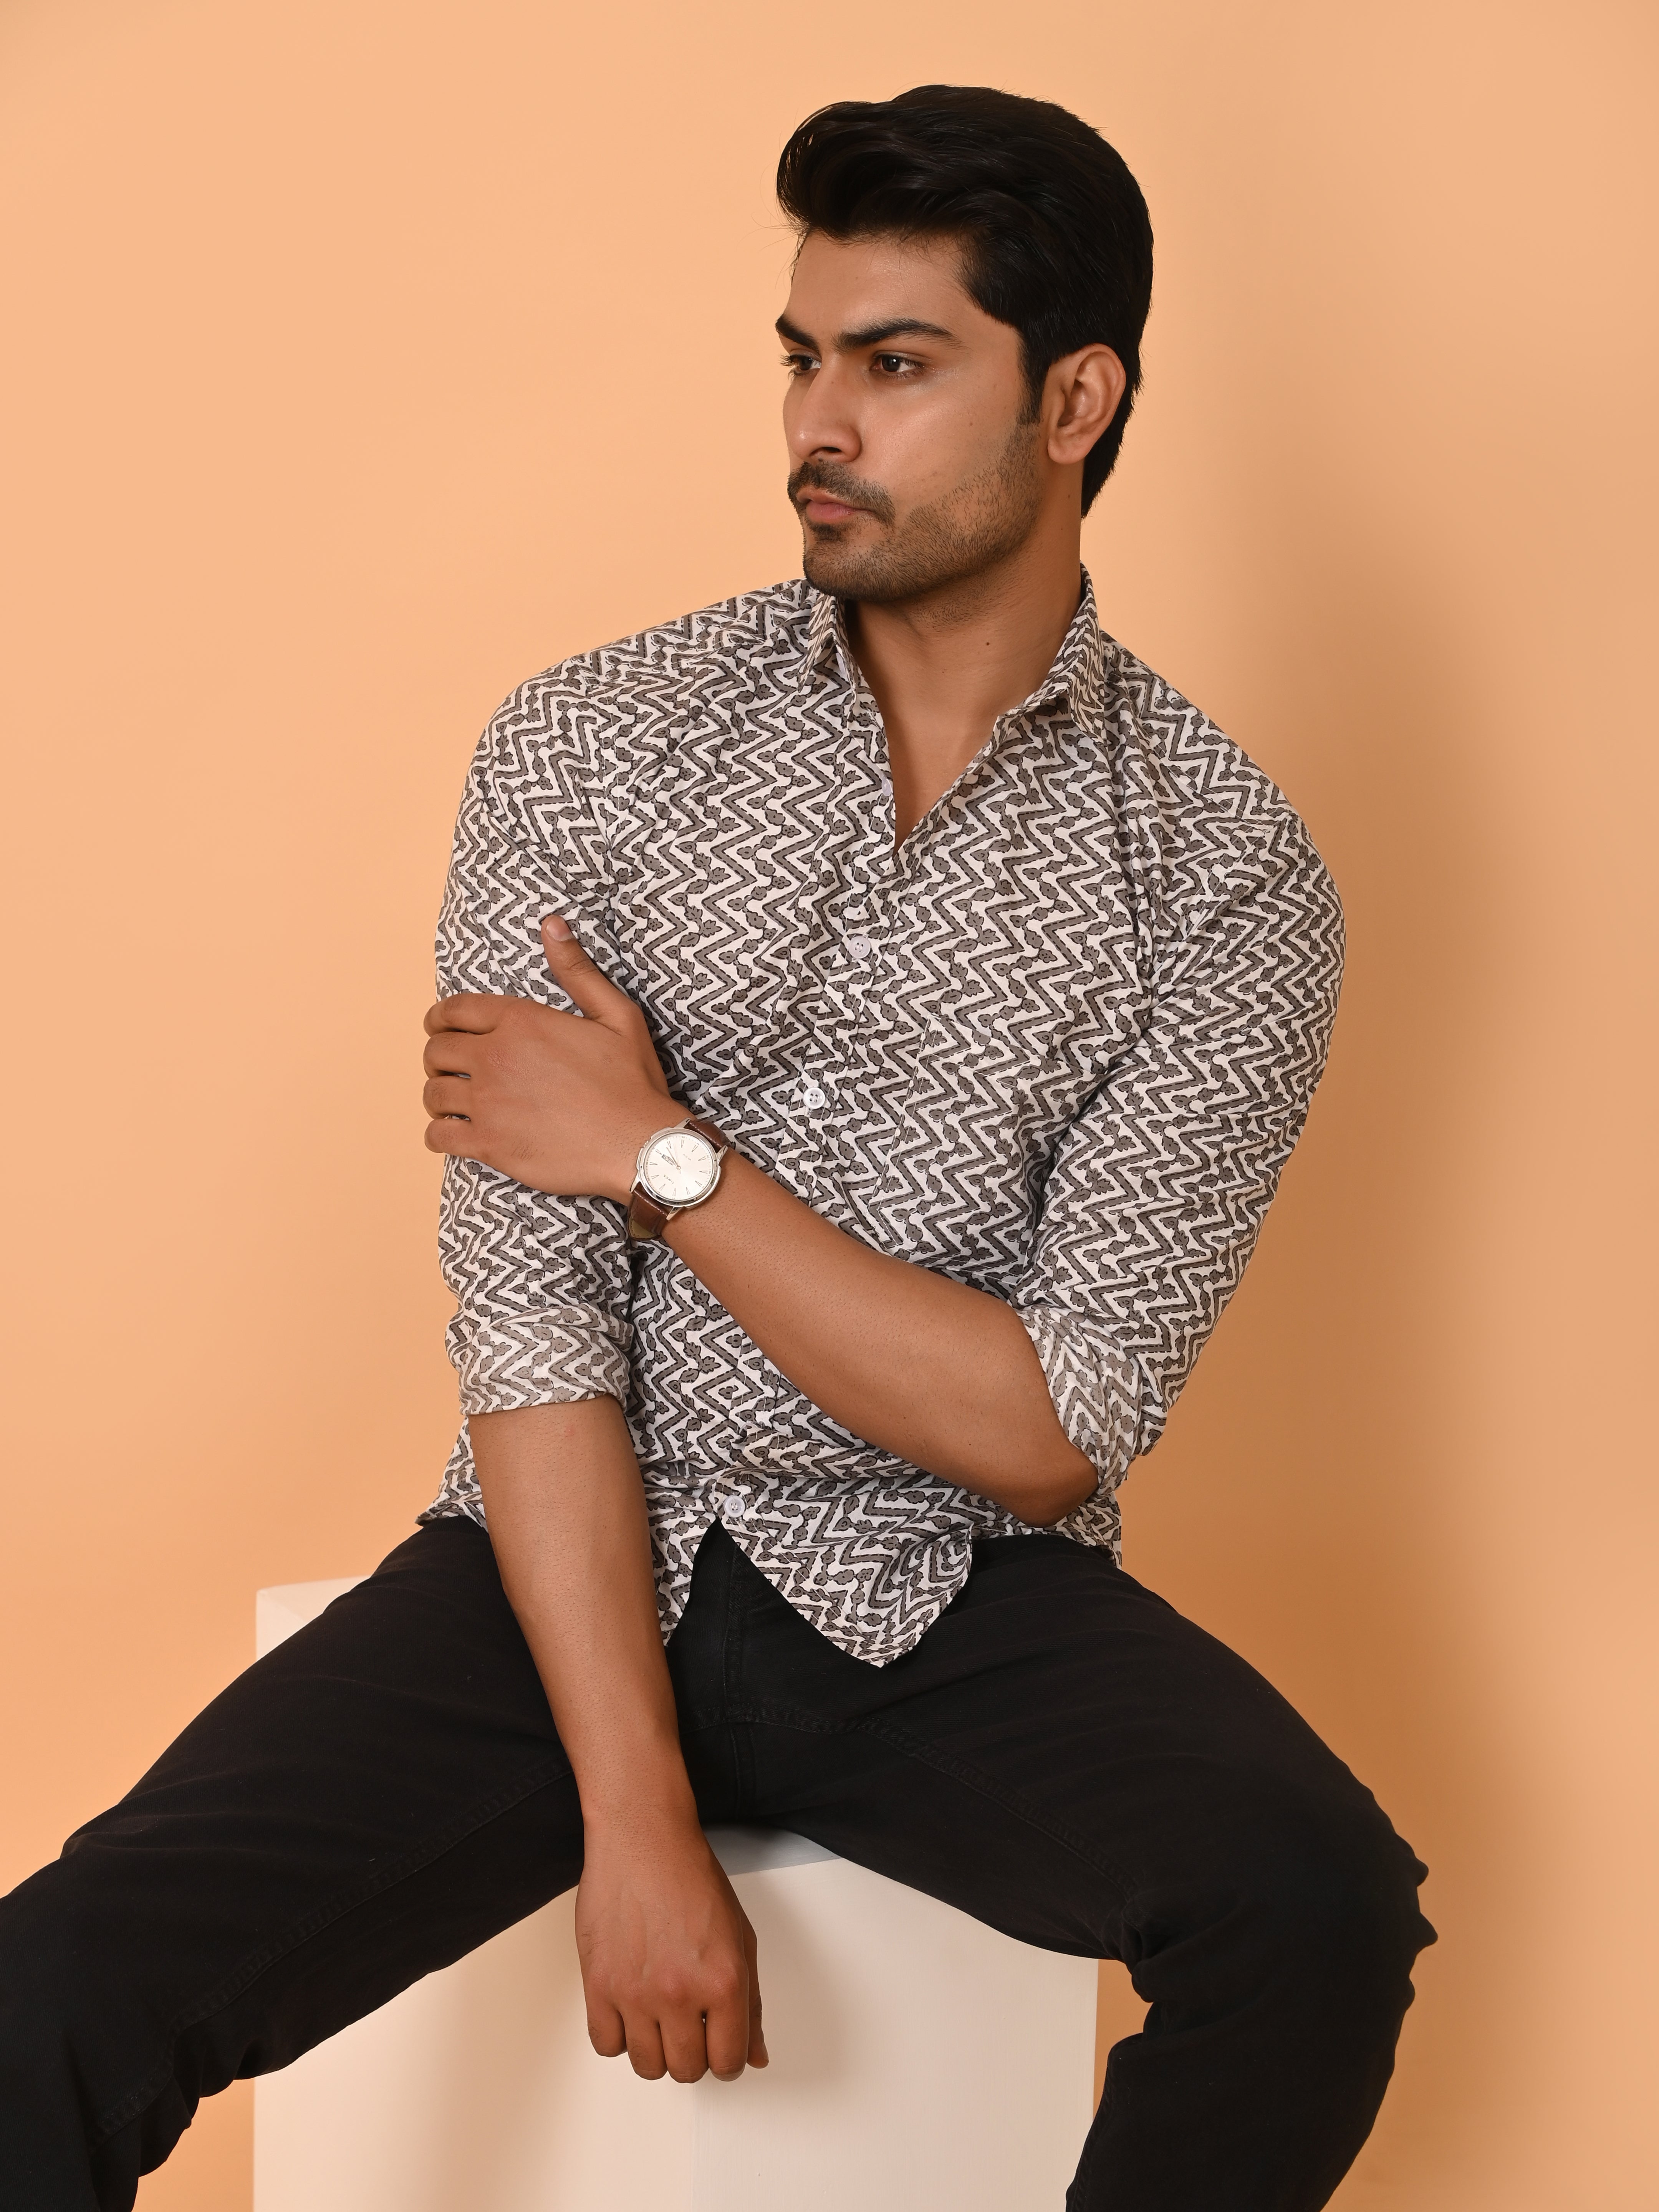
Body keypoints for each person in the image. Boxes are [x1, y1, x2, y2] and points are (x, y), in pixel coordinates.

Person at [0, 84, 1434, 2212]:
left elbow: (1052, 1428)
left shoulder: (1226, 877)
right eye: (802, 356)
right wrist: (635, 1817)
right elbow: (533, 1328)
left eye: (897, 363)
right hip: (561, 1564)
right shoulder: (593, 744)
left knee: (1317, 1911)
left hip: (947, 1590)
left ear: (1077, 400)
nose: (817, 426)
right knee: (50, 1994)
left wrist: (663, 1157)